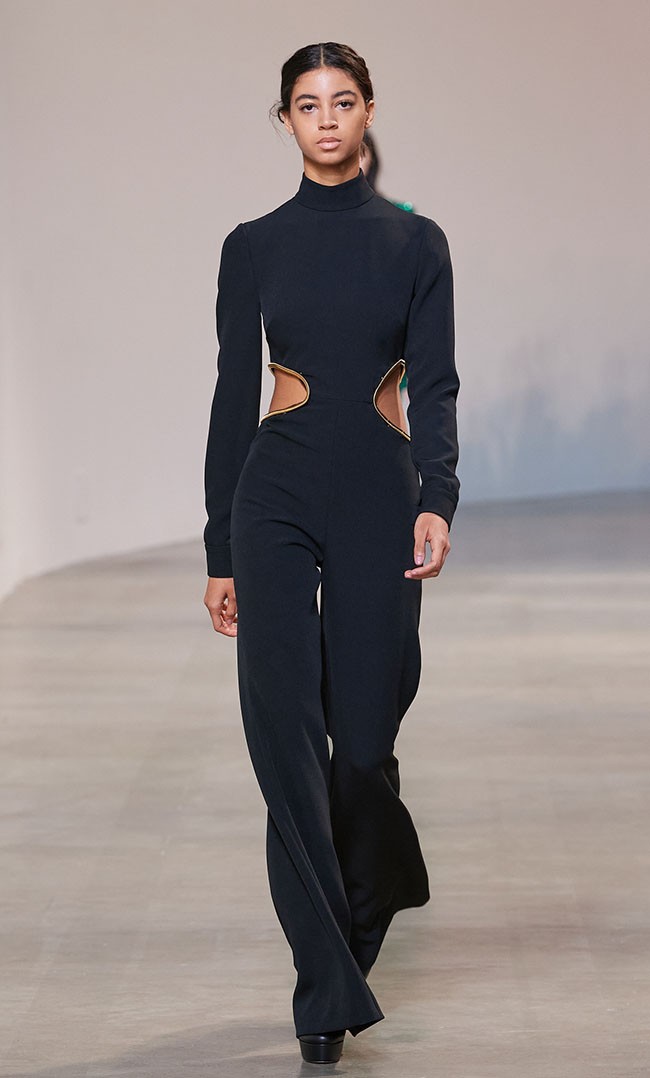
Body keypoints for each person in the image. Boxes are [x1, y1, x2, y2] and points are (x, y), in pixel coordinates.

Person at [202, 41, 460, 1066]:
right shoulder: (252, 246)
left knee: (361, 747)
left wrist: (438, 497)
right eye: (306, 105)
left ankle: (374, 887)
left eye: (340, 101)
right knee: (283, 737)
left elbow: (434, 383)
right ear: (285, 122)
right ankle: (323, 985)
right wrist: (220, 546)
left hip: (378, 500)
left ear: (367, 112)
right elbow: (233, 396)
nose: (324, 119)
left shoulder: (415, 242)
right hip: (273, 495)